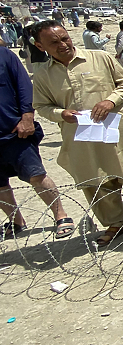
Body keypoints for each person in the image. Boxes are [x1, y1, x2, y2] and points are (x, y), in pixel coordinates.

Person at [30, 21, 123, 247]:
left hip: (117, 131)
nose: (63, 45)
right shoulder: (43, 75)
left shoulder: (99, 58)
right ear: (40, 45)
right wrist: (60, 113)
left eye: (65, 38)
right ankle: (115, 223)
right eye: (54, 42)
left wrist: (109, 101)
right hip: (81, 137)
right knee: (95, 181)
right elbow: (41, 106)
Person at [0, 44, 75, 240]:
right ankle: (16, 221)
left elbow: (24, 85)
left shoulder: (4, 55)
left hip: (14, 130)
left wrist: (27, 118)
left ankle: (61, 215)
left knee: (35, 175)